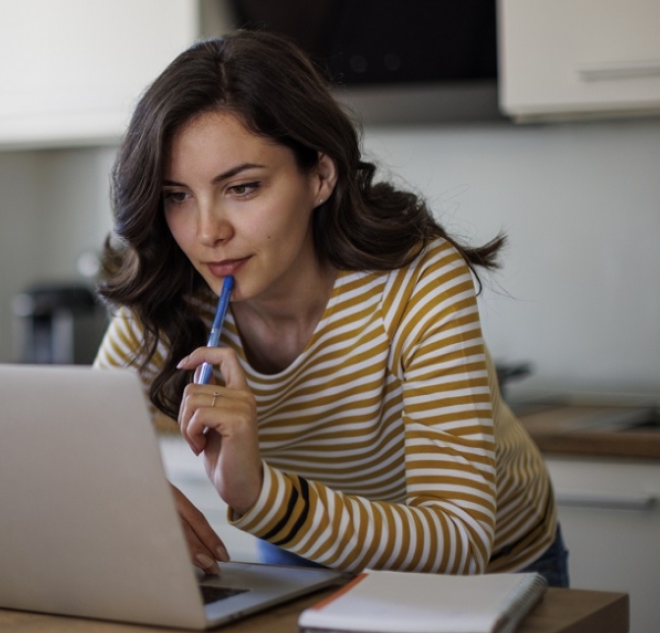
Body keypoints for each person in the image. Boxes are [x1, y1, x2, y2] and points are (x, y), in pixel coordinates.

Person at [92, 30, 567, 587]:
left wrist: (262, 496)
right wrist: (129, 495)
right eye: (177, 196)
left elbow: (459, 538)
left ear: (319, 175)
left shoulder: (417, 279)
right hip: (306, 554)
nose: (206, 233)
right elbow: (81, 447)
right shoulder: (173, 288)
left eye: (242, 188)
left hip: (491, 571)